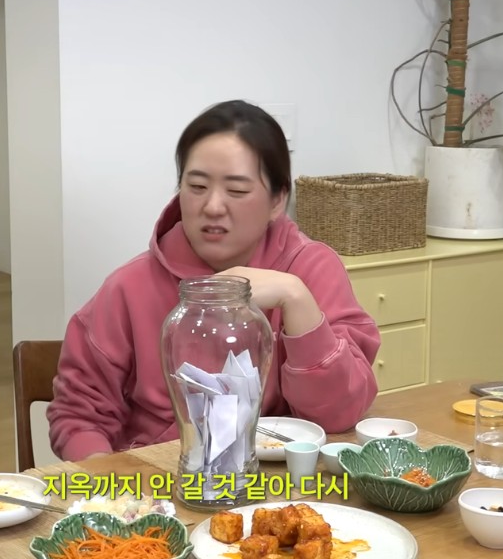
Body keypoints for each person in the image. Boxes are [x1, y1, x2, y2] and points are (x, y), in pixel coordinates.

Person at [47, 99, 381, 461]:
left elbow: (339, 415)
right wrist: (109, 482)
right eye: (197, 186)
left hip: (278, 484)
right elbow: (78, 417)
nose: (213, 207)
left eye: (236, 191)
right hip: (160, 480)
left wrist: (295, 297)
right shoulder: (129, 287)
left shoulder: (310, 269)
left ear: (277, 200)